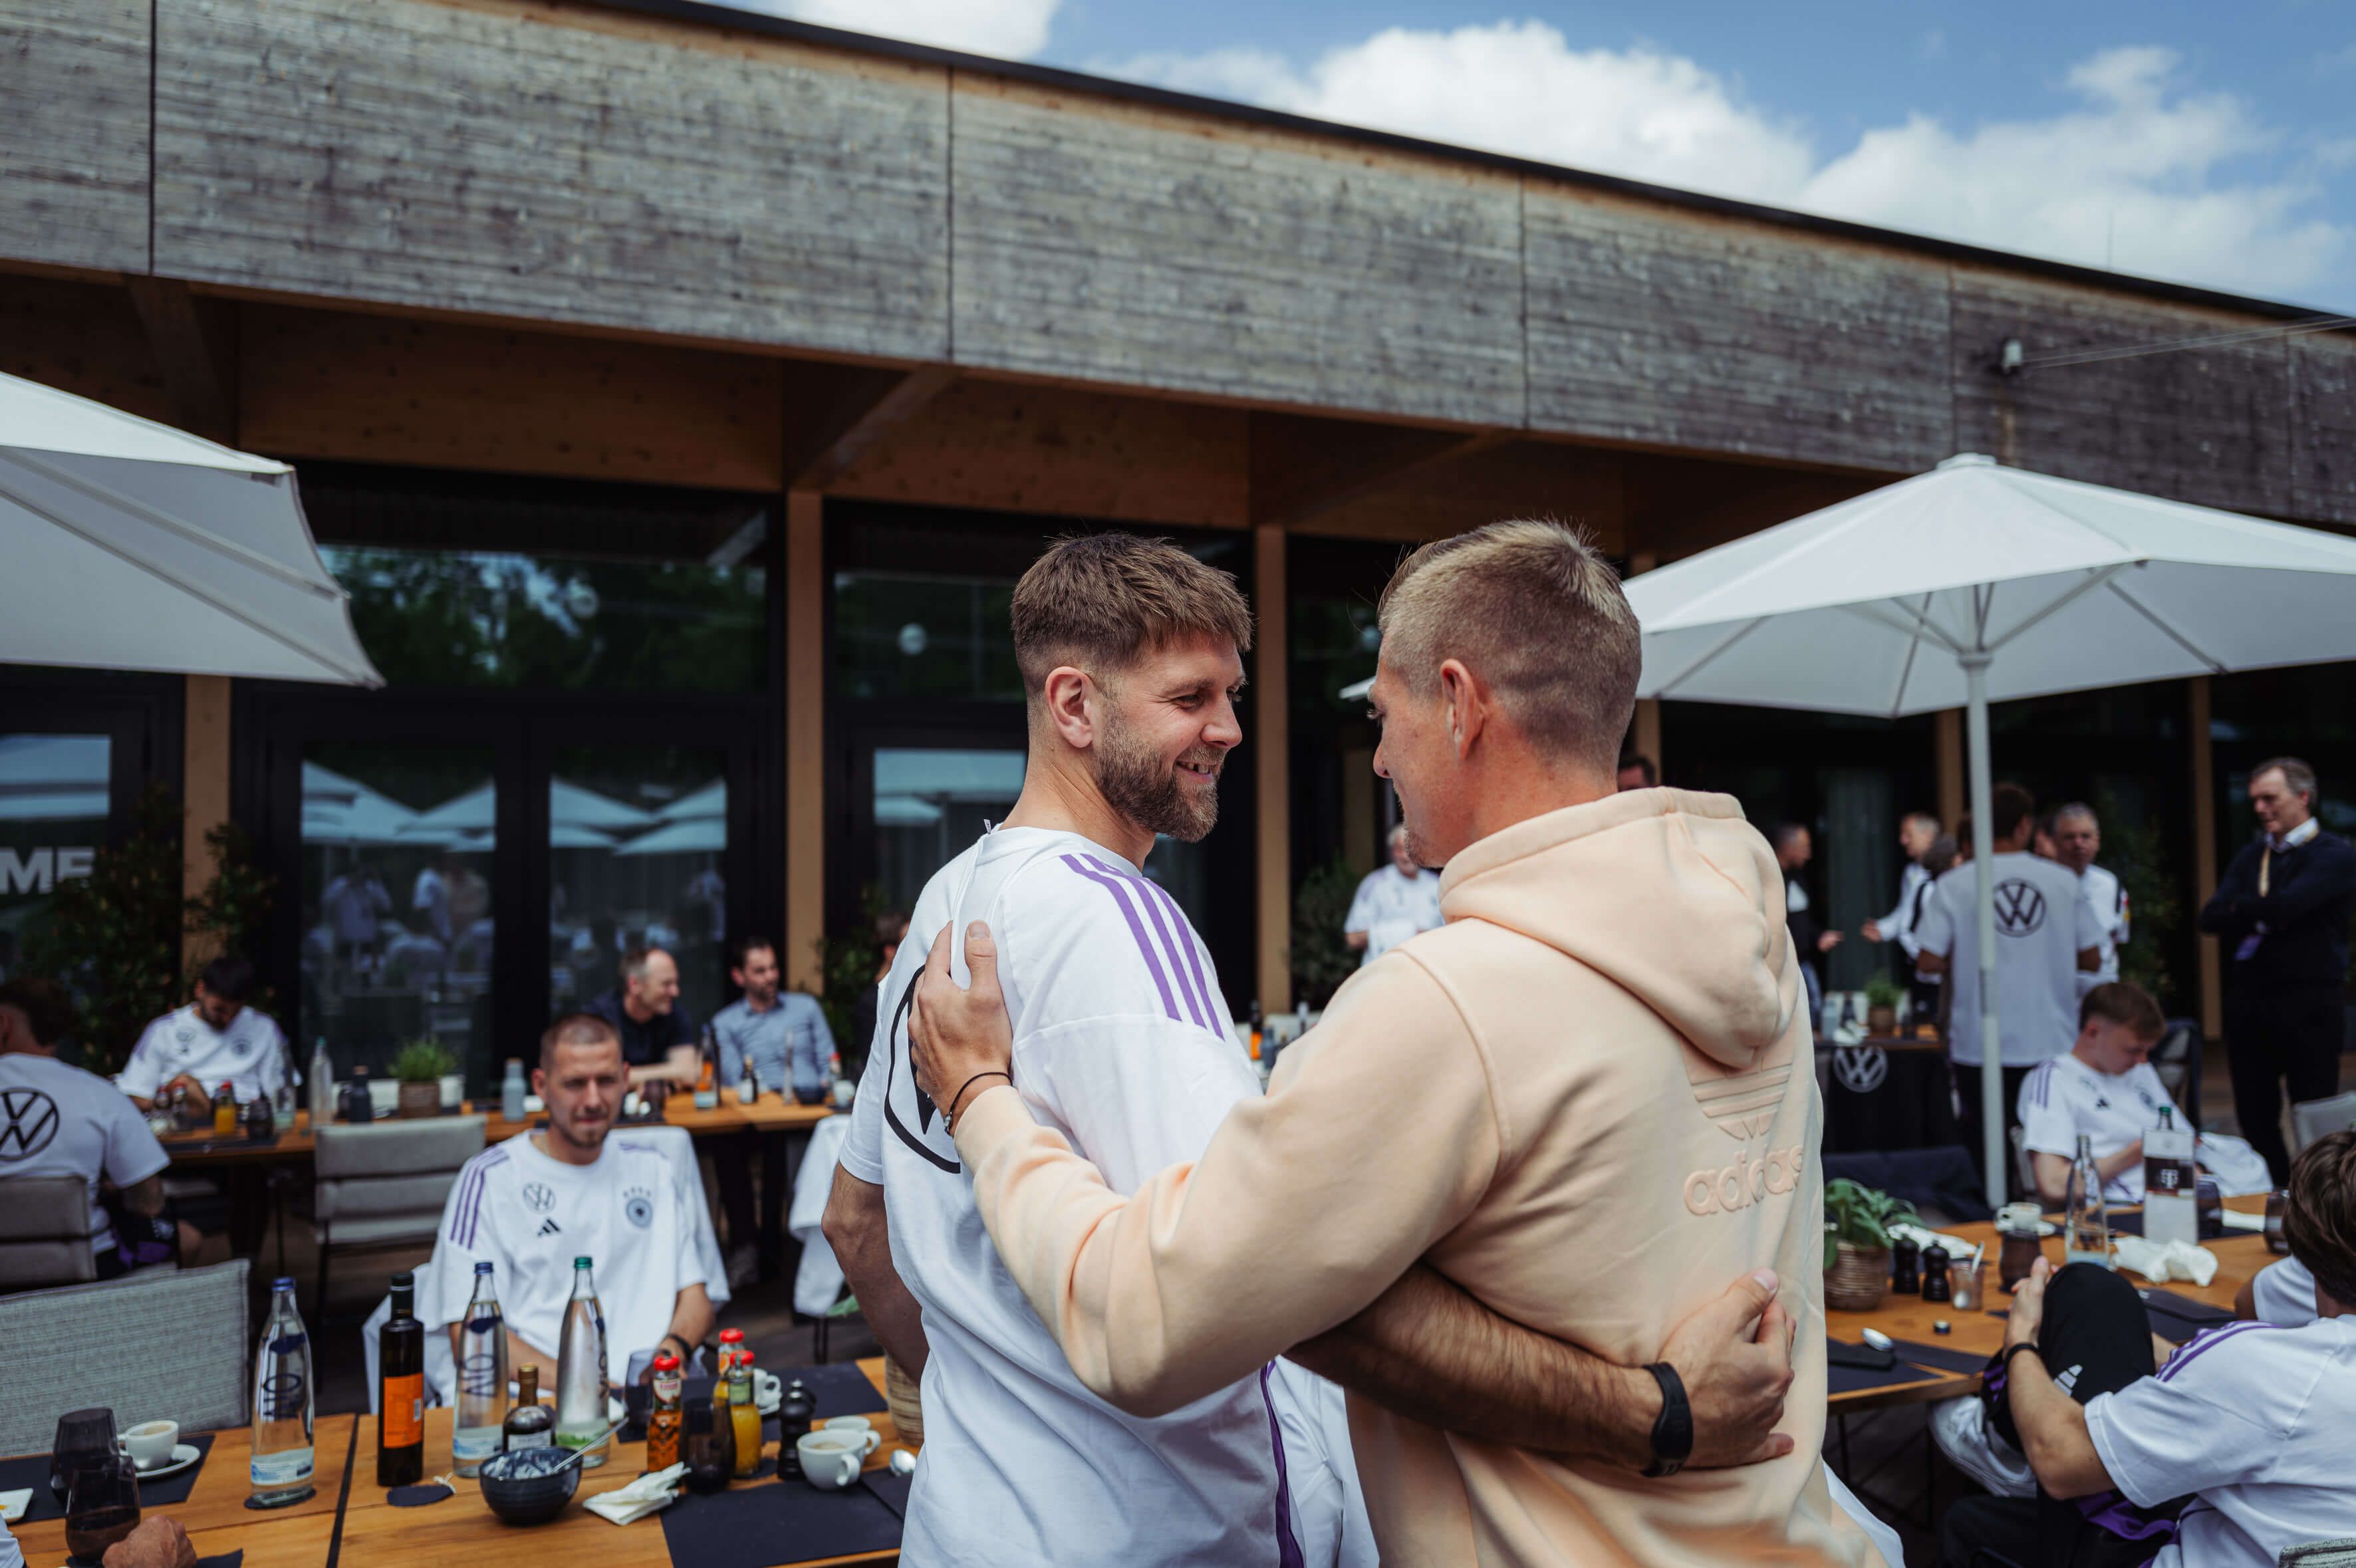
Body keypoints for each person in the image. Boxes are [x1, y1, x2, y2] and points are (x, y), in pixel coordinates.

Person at [908, 521, 1881, 1565]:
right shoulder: (1754, 945)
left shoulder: (1441, 1001)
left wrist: (979, 1100)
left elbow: (1156, 1319)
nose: (1375, 754)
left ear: (1459, 706)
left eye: (1383, 712)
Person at [1949, 1130, 2356, 1568]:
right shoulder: (2278, 1369)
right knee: (2098, 1302)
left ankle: (1994, 1440)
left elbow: (2060, 1460)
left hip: (2157, 1541)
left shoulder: (2269, 1370)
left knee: (2088, 1289)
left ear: (2302, 1250)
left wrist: (2021, 1341)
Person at [426, 1013, 714, 1376]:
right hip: (541, 1403)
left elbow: (696, 1297)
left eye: (606, 1081)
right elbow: (470, 1335)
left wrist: (673, 1351)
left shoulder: (654, 1168)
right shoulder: (491, 1178)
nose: (593, 1100)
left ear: (626, 1079)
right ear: (542, 1085)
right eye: (575, 1084)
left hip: (654, 1398)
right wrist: (587, 1387)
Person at [1913, 783, 2101, 1192]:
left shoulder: (1956, 884)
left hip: (1979, 1043)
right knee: (2049, 1146)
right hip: (2051, 1036)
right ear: (2024, 826)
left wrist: (1976, 948)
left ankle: (1995, 1217)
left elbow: (1927, 960)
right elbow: (2093, 958)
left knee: (1988, 1151)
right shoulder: (2063, 881)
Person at [2198, 757, 2356, 1187]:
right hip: (2250, 1004)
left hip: (2309, 1004)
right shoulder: (2253, 855)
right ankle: (2279, 1193)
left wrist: (2247, 909)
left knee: (2313, 1112)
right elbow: (2210, 918)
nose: (2260, 809)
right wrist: (2263, 911)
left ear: (2302, 798)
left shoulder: (2334, 854)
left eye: (2270, 798)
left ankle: (2319, 1201)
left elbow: (2288, 906)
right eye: (2254, 801)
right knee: (2253, 1113)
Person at [0, 978, 198, 1275]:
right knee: (188, 1239)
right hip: (88, 1269)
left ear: (3, 1024)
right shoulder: (100, 1095)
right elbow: (149, 1203)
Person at [2019, 982, 2268, 1206]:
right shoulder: (2055, 1078)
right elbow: (2053, 1184)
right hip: (2123, 1207)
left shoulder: (2140, 1070)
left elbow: (2184, 1137)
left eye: (2147, 1051)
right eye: (2133, 1050)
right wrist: (2138, 1151)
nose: (2142, 1060)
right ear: (2093, 1032)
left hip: (2185, 1192)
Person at [708, 934, 834, 1280]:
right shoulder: (726, 1023)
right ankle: (751, 1247)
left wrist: (827, 1084)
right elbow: (735, 1078)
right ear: (739, 977)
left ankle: (786, 1254)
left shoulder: (806, 1008)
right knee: (728, 1147)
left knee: (788, 1148)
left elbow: (829, 1060)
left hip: (811, 1114)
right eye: (759, 970)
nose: (770, 976)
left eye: (773, 968)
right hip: (761, 1116)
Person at [118, 956, 289, 1114]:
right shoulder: (163, 1030)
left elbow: (282, 1092)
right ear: (200, 990)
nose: (227, 1019)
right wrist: (168, 1098)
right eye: (219, 1010)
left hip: (245, 1119)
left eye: (235, 1012)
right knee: (187, 1085)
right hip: (182, 1123)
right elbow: (136, 1095)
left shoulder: (264, 1027)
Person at [585, 946, 699, 1091]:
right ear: (635, 985)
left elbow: (688, 1073)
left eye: (676, 983)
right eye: (666, 984)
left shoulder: (674, 1013)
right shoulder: (598, 1019)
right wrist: (669, 1074)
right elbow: (599, 1080)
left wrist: (628, 1078)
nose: (676, 992)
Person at [2052, 803, 2130, 999]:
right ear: (2055, 841)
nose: (2078, 844)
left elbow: (2116, 939)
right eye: (2069, 837)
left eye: (2085, 836)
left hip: (2102, 994)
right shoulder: (2043, 883)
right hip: (2056, 993)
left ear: (2097, 841)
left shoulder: (2111, 885)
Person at [1342, 823, 1444, 966]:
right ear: (1392, 852)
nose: (1406, 856)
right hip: (1385, 970)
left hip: (1428, 971)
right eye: (1400, 849)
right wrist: (1407, 931)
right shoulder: (1375, 884)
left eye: (1412, 849)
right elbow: (1352, 938)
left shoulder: (1437, 885)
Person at [1774, 823, 1843, 1033]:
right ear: (1788, 847)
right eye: (1805, 847)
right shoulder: (1771, 880)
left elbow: (1801, 919)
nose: (1809, 854)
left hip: (1804, 961)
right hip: (1781, 966)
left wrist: (1818, 937)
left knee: (1814, 1013)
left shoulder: (1798, 877)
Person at [1859, 811, 1940, 964]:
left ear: (1927, 836)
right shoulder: (1911, 872)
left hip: (1935, 963)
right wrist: (1882, 929)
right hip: (1914, 959)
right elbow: (1905, 912)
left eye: (1909, 835)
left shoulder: (1945, 874)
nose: (1903, 841)